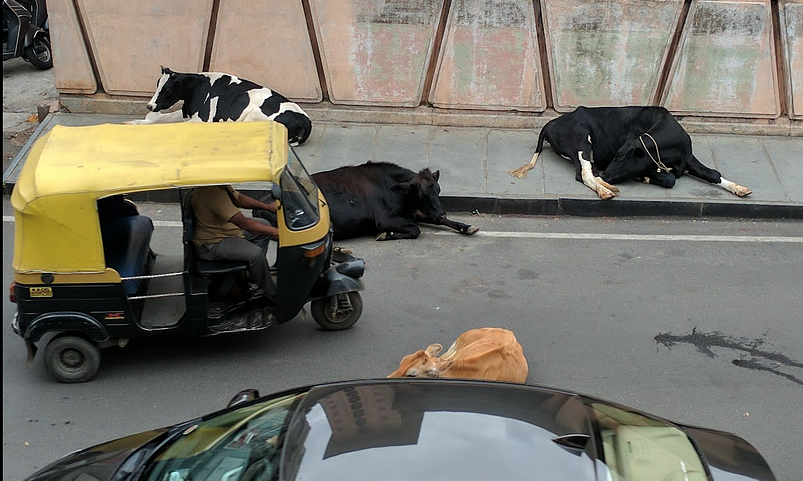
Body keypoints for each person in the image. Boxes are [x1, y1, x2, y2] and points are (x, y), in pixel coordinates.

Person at [191, 185, 279, 300]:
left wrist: (266, 207)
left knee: (265, 225)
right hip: (213, 243)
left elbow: (238, 198)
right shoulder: (212, 193)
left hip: (224, 230)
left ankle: (253, 273)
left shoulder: (220, 186)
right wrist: (278, 232)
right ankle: (272, 293)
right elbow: (245, 223)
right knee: (255, 254)